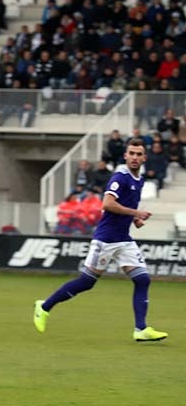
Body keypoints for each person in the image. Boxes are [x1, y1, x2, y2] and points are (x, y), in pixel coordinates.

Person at [33, 139, 168, 342]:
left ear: (144, 158)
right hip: (105, 240)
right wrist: (136, 212)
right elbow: (107, 204)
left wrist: (134, 218)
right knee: (86, 282)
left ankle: (141, 329)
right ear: (125, 155)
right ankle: (44, 307)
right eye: (131, 153)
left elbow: (124, 206)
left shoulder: (138, 180)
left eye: (139, 154)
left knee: (142, 279)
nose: (134, 157)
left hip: (123, 239)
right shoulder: (120, 177)